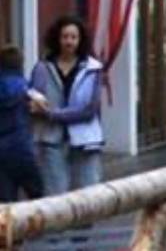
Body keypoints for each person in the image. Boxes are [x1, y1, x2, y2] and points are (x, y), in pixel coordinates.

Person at [28, 16, 104, 194]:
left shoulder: (92, 69)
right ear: (57, 38)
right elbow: (34, 96)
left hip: (85, 140)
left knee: (88, 195)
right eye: (65, 37)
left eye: (73, 37)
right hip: (51, 139)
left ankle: (84, 223)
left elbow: (89, 110)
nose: (69, 41)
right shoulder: (42, 68)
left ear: (80, 40)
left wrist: (53, 114)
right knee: (56, 196)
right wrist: (34, 102)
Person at [0, 45, 43, 203]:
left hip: (1, 154)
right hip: (23, 149)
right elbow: (41, 106)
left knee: (6, 202)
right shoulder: (24, 87)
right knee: (37, 197)